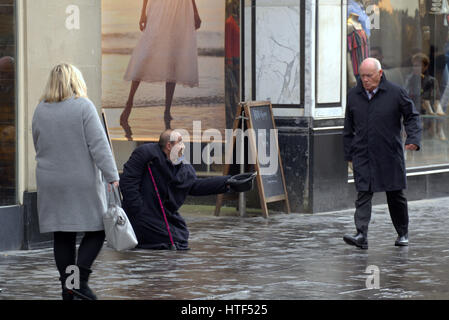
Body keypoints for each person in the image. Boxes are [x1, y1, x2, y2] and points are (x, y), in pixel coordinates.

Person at [32, 63, 120, 300]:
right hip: (80, 181)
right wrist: (112, 176)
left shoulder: (41, 109)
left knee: (63, 235)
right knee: (98, 229)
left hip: (50, 182)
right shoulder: (83, 106)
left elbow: (37, 142)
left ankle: (69, 288)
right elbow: (99, 146)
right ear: (75, 81)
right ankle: (79, 282)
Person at [120, 129, 253, 250]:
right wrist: (137, 208)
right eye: (180, 142)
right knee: (163, 239)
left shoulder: (181, 166)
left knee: (180, 236)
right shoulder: (146, 154)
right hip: (143, 212)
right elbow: (128, 180)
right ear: (169, 146)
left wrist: (228, 182)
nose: (183, 146)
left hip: (165, 212)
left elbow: (194, 186)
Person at [343, 58, 422, 249]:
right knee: (363, 193)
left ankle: (402, 232)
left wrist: (413, 139)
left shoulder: (395, 93)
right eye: (362, 76)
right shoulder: (353, 95)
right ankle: (361, 234)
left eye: (369, 76)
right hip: (363, 153)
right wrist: (349, 155)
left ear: (379, 74)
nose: (365, 80)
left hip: (389, 154)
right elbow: (348, 128)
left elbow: (412, 116)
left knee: (395, 195)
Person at [121, 0, 202, 135]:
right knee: (147, 51)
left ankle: (167, 110)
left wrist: (195, 11)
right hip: (160, 5)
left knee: (173, 55)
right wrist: (143, 13)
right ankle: (129, 104)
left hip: (181, 7)